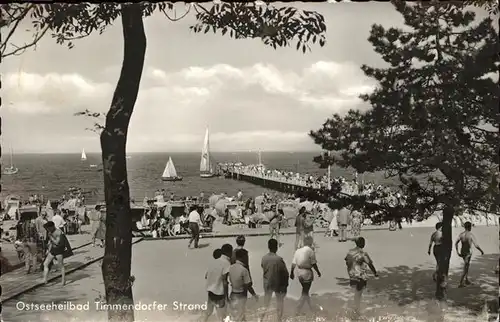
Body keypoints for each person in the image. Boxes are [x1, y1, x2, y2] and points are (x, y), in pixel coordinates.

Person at [345, 237, 378, 317]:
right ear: (362, 244)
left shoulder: (350, 251)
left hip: (351, 274)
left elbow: (347, 261)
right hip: (360, 276)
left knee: (355, 293)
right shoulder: (363, 254)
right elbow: (370, 264)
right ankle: (356, 311)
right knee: (358, 294)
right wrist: (375, 273)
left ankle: (354, 310)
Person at [290, 235, 321, 316]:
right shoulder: (311, 251)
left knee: (305, 291)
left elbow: (293, 263)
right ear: (310, 243)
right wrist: (318, 272)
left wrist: (291, 272)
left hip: (299, 273)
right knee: (305, 292)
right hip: (307, 273)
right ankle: (298, 309)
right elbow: (314, 264)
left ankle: (311, 308)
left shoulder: (298, 251)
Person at [259, 239, 289, 322]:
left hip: (267, 282)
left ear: (268, 247)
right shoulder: (279, 259)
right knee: (279, 302)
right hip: (277, 283)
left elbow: (263, 267)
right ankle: (279, 319)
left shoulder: (264, 258)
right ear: (276, 247)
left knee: (266, 302)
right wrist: (286, 285)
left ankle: (262, 318)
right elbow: (285, 273)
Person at [204, 243, 232, 322]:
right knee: (222, 315)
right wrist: (226, 297)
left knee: (208, 312)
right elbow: (225, 281)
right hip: (219, 293)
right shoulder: (226, 263)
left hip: (210, 290)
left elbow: (206, 276)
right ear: (228, 252)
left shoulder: (214, 262)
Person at [229, 248, 258, 322]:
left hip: (232, 294)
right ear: (242, 257)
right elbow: (248, 285)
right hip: (241, 295)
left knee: (236, 316)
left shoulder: (231, 267)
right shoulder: (244, 270)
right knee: (240, 317)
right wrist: (254, 295)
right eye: (246, 257)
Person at [455, 221, 484, 287]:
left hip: (462, 252)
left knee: (467, 266)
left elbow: (456, 243)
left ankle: (466, 280)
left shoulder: (461, 234)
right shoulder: (471, 235)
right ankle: (460, 283)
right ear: (469, 227)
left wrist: (457, 252)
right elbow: (476, 245)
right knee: (465, 267)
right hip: (468, 253)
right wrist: (481, 251)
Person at [43, 221, 68, 286]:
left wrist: (50, 237)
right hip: (53, 250)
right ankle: (45, 280)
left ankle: (63, 280)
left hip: (59, 250)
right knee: (45, 264)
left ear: (52, 226)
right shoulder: (50, 232)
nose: (47, 230)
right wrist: (48, 250)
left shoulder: (58, 232)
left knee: (61, 266)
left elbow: (57, 242)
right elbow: (51, 242)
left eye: (48, 228)